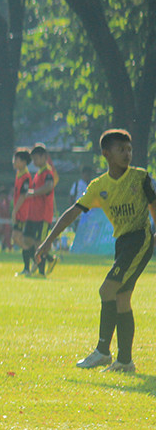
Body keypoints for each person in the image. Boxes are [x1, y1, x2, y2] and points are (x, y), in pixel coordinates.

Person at [35, 129, 156, 373]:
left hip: (140, 239)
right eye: (121, 149)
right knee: (121, 298)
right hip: (122, 243)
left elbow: (154, 204)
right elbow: (72, 213)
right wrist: (48, 241)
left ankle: (102, 351)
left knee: (107, 289)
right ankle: (124, 361)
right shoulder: (99, 186)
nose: (127, 153)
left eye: (129, 149)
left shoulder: (140, 178)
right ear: (106, 154)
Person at [27, 143, 59, 276]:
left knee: (40, 243)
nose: (34, 162)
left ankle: (41, 272)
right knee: (31, 241)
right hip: (35, 214)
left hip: (44, 214)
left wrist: (33, 192)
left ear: (43, 157)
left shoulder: (47, 172)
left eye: (36, 158)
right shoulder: (38, 173)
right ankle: (50, 260)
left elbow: (49, 186)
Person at [11, 148, 34, 275]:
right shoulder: (19, 174)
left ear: (24, 162)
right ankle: (31, 264)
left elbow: (22, 196)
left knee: (18, 238)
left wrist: (15, 211)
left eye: (17, 159)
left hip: (23, 213)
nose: (14, 161)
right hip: (20, 212)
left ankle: (35, 261)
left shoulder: (25, 176)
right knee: (19, 239)